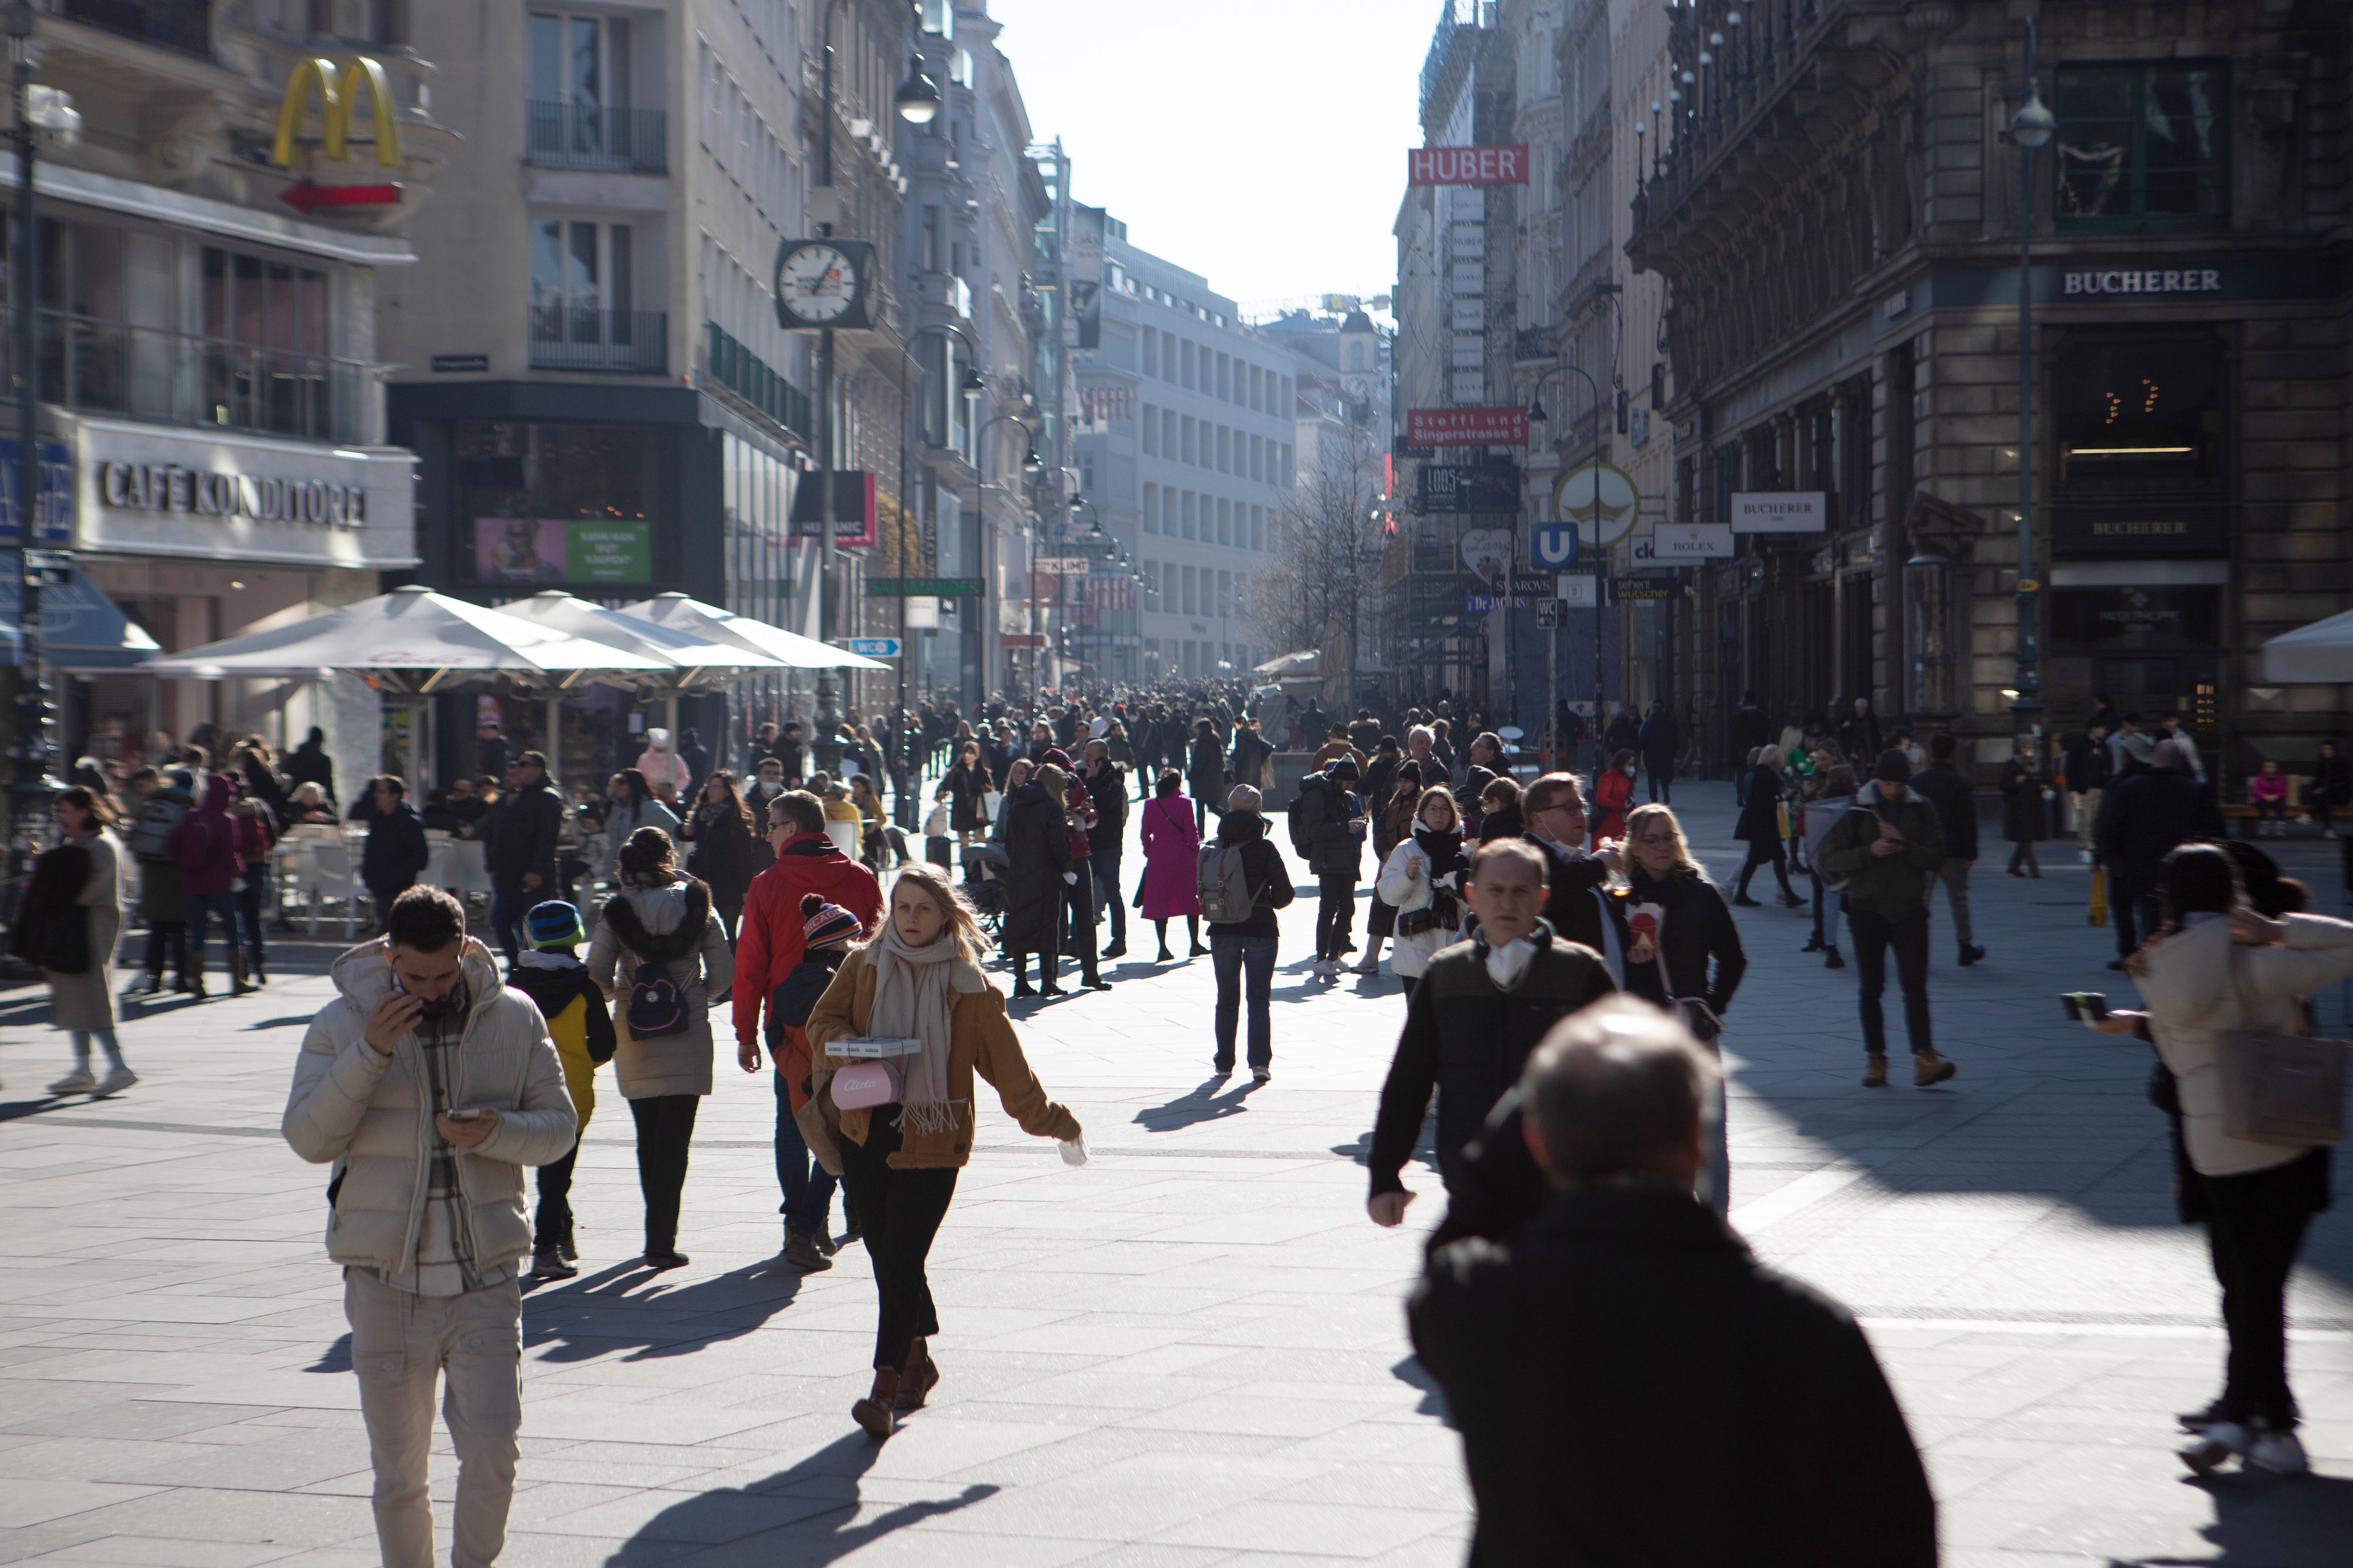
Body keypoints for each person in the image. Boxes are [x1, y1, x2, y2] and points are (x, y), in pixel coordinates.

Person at [1408, 997, 1937, 1568]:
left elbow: (1460, 1232)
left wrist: (1528, 1104)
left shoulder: (1482, 1305)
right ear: (1697, 1140)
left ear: (1537, 1142)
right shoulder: (1807, 1331)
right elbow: (1892, 1530)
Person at [281, 886, 577, 1568]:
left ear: (467, 949)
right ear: (390, 956)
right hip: (387, 1279)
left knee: (494, 1449)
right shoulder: (340, 1023)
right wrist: (371, 1051)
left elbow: (559, 1128)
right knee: (399, 1474)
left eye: (444, 974)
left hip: (486, 1275)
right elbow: (307, 1136)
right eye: (415, 976)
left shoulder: (514, 1015)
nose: (432, 988)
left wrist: (496, 1130)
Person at [2089, 843, 2353, 1477]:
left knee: (2246, 1287)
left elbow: (2181, 1059)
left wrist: (2139, 1025)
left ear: (2168, 898)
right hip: (2282, 1138)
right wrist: (2276, 927)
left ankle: (2250, 1411)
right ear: (2230, 892)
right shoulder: (2258, 963)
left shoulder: (2155, 968)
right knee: (2260, 1288)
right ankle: (2262, 1420)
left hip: (2213, 1150)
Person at [806, 862, 1084, 1440]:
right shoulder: (863, 963)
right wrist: (853, 1045)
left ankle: (883, 1384)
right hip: (866, 1128)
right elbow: (821, 1023)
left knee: (901, 1255)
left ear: (943, 916)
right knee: (886, 1253)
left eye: (922, 909)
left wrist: (1052, 1121)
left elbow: (1011, 1073)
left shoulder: (968, 987)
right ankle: (918, 1357)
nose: (909, 919)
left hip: (933, 1137)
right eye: (901, 906)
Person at [1367, 838, 1617, 1229]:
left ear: (1542, 897)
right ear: (1472, 894)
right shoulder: (1446, 974)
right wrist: (1384, 1174)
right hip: (1471, 1186)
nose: (1507, 903)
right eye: (1495, 891)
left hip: (1564, 1195)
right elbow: (1409, 1080)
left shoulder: (1581, 972)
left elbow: (1622, 1088)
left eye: (1521, 892)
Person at [732, 789, 885, 1252]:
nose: (767, 833)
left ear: (793, 829)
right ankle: (842, 1207)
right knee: (852, 1114)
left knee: (794, 1122)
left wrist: (745, 1034)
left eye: (772, 825)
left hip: (791, 1028)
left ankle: (800, 1219)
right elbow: (880, 952)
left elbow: (750, 964)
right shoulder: (860, 876)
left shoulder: (767, 883)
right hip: (852, 1023)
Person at [587, 826, 734, 1270]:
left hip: (634, 1032)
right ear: (669, 858)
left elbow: (595, 971)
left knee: (647, 1137)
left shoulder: (616, 912)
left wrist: (621, 993)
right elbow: (725, 973)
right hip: (686, 1030)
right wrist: (696, 993)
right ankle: (661, 1240)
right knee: (676, 1142)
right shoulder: (697, 905)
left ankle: (655, 1236)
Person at [1614, 805, 1746, 1212]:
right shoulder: (1619, 898)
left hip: (1693, 1030)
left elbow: (1733, 957)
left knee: (1709, 1132)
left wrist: (1711, 1006)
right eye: (1651, 839)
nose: (1661, 847)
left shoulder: (1700, 893)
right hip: (1642, 1034)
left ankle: (1713, 1228)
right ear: (1633, 847)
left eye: (1668, 838)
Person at [1818, 750, 1955, 1089]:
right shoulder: (1856, 809)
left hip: (1910, 909)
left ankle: (1925, 1057)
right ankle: (1875, 1057)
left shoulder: (1921, 807)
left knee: (1916, 987)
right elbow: (1831, 857)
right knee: (1871, 988)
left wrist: (1904, 844)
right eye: (1888, 784)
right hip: (1867, 909)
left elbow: (1937, 857)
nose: (1893, 791)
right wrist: (1870, 852)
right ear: (1876, 779)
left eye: (1899, 785)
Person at [752, 893, 865, 1270]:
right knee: (834, 1156)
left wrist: (797, 1073)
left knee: (828, 1153)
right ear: (836, 943)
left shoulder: (788, 985)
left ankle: (810, 1230)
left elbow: (773, 1036)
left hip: (798, 1083)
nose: (857, 946)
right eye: (853, 940)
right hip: (835, 1082)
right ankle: (804, 1234)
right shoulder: (841, 985)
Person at [504, 901, 614, 1280]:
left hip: (521, 1092)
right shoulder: (586, 989)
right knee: (557, 1175)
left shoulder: (513, 987)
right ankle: (548, 1249)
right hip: (573, 1094)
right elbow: (604, 1047)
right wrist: (581, 1065)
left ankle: (562, 1235)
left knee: (546, 1174)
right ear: (577, 934)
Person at [23, 788, 132, 1097]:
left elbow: (83, 889)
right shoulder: (79, 844)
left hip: (89, 934)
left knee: (94, 1000)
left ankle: (118, 1066)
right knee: (74, 999)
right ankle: (82, 1069)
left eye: (66, 811)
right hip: (71, 933)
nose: (61, 818)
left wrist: (47, 866)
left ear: (84, 811)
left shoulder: (101, 846)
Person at [2097, 738, 2225, 969]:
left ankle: (2155, 969)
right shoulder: (2195, 790)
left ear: (2153, 759)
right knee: (2182, 922)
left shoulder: (2129, 788)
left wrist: (2115, 859)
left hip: (2142, 869)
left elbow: (2110, 829)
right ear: (2177, 762)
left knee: (2150, 920)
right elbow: (2216, 833)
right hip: (2185, 870)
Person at [1204, 785, 1295, 1080]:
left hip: (1221, 929)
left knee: (1226, 998)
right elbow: (1284, 896)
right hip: (1260, 930)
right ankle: (1259, 1063)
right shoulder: (1265, 848)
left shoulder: (1215, 847)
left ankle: (1223, 1062)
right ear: (1259, 811)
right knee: (1258, 998)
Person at [166, 772, 251, 998]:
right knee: (232, 929)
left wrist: (186, 865)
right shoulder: (226, 820)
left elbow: (172, 844)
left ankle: (198, 984)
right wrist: (238, 871)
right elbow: (229, 854)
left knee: (197, 932)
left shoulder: (191, 816)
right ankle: (237, 980)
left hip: (193, 883)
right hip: (220, 883)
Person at [1519, 772, 1618, 963]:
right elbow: (1546, 891)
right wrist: (1597, 865)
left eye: (1581, 807)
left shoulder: (1571, 859)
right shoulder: (1522, 857)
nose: (1580, 815)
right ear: (1538, 819)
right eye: (1569, 808)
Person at [1376, 785, 1468, 983]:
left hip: (1455, 947)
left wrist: (1457, 882)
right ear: (1423, 814)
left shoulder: (1465, 852)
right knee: (1419, 1014)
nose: (1439, 814)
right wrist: (1406, 876)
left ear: (1453, 814)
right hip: (1415, 947)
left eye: (1445, 809)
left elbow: (1476, 903)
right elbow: (1387, 896)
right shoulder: (1407, 849)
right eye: (1433, 809)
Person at [1909, 733, 1985, 966]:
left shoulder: (1918, 781)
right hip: (1952, 849)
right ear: (1952, 752)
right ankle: (1965, 946)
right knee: (1959, 899)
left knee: (1921, 900)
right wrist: (1970, 851)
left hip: (1924, 849)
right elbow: (1967, 820)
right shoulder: (1959, 782)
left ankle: (1915, 946)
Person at [1001, 759, 1075, 997]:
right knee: (1047, 927)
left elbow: (1009, 842)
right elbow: (1058, 844)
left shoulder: (1017, 804)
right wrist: (1067, 866)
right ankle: (1048, 981)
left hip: (1019, 875)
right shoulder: (1052, 809)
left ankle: (1020, 981)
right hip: (1045, 876)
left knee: (1021, 926)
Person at [481, 752, 561, 965]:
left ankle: (542, 966)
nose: (519, 769)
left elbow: (548, 838)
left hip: (533, 877)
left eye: (524, 765)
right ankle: (517, 964)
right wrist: (493, 864)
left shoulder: (547, 797)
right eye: (517, 764)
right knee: (501, 920)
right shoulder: (517, 797)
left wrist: (535, 870)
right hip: (508, 874)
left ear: (539, 769)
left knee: (535, 926)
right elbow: (496, 834)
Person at [1294, 756, 1367, 976]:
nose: (1349, 787)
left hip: (1344, 859)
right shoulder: (1318, 794)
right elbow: (1315, 830)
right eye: (1346, 782)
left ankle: (1334, 956)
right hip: (1328, 860)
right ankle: (1320, 959)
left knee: (1347, 909)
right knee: (1328, 909)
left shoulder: (1341, 795)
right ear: (1338, 779)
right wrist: (1346, 827)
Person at [124, 767, 192, 994]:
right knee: (180, 930)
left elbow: (135, 842)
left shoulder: (149, 808)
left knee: (157, 930)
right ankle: (182, 977)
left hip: (153, 875)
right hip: (178, 875)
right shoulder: (186, 809)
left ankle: (154, 978)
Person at [680, 769, 761, 938]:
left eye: (716, 787)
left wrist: (746, 888)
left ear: (727, 791)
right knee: (701, 932)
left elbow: (744, 856)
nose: (711, 790)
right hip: (702, 880)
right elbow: (692, 836)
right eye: (710, 786)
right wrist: (682, 830)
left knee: (727, 933)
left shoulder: (735, 818)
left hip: (728, 884)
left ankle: (731, 965)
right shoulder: (702, 814)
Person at [1362, 760, 1425, 975]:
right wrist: (1382, 851)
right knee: (1379, 909)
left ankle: (1405, 958)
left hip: (1411, 863)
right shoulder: (1393, 802)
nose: (1403, 785)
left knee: (1406, 910)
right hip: (1389, 862)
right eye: (1400, 781)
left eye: (1407, 781)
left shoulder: (1422, 803)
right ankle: (1371, 958)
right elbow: (1379, 830)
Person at [1138, 768, 1204, 961]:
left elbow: (1145, 833)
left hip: (1159, 857)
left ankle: (1163, 948)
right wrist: (1195, 850)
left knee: (1160, 903)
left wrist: (1150, 850)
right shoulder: (1185, 803)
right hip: (1183, 856)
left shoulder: (1151, 804)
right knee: (1191, 900)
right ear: (1178, 784)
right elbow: (1192, 832)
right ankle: (1194, 944)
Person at [1799, 765, 1857, 969]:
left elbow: (1811, 827)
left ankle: (1831, 947)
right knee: (1857, 902)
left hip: (1828, 860)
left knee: (1830, 903)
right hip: (1854, 859)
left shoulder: (1822, 801)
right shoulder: (1857, 802)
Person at [1731, 745, 1801, 907]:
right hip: (1762, 826)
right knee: (1759, 859)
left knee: (1771, 858)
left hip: (1762, 825)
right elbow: (1765, 800)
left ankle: (1787, 895)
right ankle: (1742, 894)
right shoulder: (1765, 774)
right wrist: (1783, 796)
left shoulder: (1763, 773)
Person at [1081, 739, 1129, 959]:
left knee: (1112, 892)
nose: (1087, 759)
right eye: (1086, 754)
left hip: (1109, 844)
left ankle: (1119, 940)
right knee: (1083, 894)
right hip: (1088, 842)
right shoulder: (1082, 774)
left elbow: (1107, 801)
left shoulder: (1115, 776)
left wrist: (1091, 781)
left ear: (1102, 757)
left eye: (1091, 755)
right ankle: (1079, 939)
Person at [230, 788, 278, 984]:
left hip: (234, 869)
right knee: (255, 918)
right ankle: (259, 964)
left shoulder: (227, 812)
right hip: (257, 868)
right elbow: (273, 838)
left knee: (237, 920)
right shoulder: (258, 808)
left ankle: (242, 968)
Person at [602, 769, 680, 886]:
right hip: (615, 871)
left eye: (622, 782)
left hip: (640, 873)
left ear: (634, 784)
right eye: (616, 782)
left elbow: (675, 830)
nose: (617, 786)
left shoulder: (650, 808)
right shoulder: (613, 808)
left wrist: (654, 858)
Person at [2065, 724, 2112, 862]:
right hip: (2083, 789)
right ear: (2093, 729)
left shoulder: (2104, 746)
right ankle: (2084, 847)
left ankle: (2092, 843)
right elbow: (2071, 768)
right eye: (2102, 728)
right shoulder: (2080, 745)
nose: (2104, 731)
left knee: (2096, 818)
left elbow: (2109, 765)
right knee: (2085, 819)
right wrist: (2072, 788)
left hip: (2100, 787)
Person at [2002, 740, 2048, 875]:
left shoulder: (2037, 764)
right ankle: (2034, 867)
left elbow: (2043, 780)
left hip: (2034, 805)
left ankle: (2014, 865)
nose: (2028, 750)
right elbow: (2004, 785)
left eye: (2030, 747)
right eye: (2025, 747)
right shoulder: (2012, 764)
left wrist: (2043, 786)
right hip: (2018, 805)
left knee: (2025, 837)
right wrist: (2016, 782)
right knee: (2024, 837)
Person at [939, 740, 994, 854]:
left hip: (978, 809)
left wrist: (987, 789)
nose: (967, 755)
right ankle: (967, 866)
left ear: (977, 755)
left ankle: (979, 865)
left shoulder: (982, 772)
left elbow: (990, 789)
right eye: (965, 752)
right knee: (964, 843)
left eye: (971, 753)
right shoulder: (956, 771)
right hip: (961, 808)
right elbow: (945, 784)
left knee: (980, 839)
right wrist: (941, 792)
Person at [1186, 718, 1227, 833]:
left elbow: (1199, 764)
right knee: (1211, 806)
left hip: (1203, 780)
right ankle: (1202, 831)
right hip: (1214, 779)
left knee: (1202, 807)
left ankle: (1201, 832)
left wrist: (1190, 776)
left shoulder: (1202, 743)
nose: (1195, 731)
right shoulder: (1215, 740)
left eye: (1197, 728)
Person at [1729, 692, 1770, 805]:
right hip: (1757, 746)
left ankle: (1740, 798)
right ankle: (1752, 797)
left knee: (1741, 774)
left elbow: (1734, 728)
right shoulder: (1760, 710)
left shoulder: (1739, 710)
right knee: (1757, 772)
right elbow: (1766, 726)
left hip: (1741, 747)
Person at [632, 727, 693, 800]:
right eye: (658, 749)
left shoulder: (675, 759)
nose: (660, 752)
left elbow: (685, 777)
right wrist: (649, 788)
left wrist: (672, 789)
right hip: (650, 796)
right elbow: (638, 778)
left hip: (671, 796)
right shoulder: (644, 759)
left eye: (663, 750)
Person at [284, 725, 336, 806]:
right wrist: (333, 803)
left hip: (296, 798)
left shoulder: (294, 758)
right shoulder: (323, 760)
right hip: (316, 799)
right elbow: (328, 783)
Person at [1638, 702, 1679, 803]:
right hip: (1666, 755)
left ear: (1654, 711)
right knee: (1664, 774)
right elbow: (1675, 739)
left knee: (1652, 777)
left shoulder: (1648, 723)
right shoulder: (1669, 722)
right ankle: (1665, 788)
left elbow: (1642, 739)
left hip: (1651, 755)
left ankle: (1654, 799)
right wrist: (1673, 752)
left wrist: (1643, 750)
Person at [2307, 738, 2351, 830]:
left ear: (2334, 750)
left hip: (2342, 794)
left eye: (2329, 749)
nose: (2327, 752)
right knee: (2325, 798)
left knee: (2327, 792)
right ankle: (2328, 829)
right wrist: (2315, 790)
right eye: (2324, 749)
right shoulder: (2320, 764)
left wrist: (2324, 788)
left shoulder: (2342, 763)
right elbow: (2316, 781)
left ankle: (2310, 815)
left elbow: (2344, 781)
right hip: (2326, 795)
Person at [1837, 695, 1882, 764]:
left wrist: (1878, 749)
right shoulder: (1849, 716)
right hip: (1852, 746)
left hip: (1867, 746)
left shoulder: (1871, 717)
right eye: (1860, 709)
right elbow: (1839, 726)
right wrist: (1844, 727)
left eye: (1863, 709)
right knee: (1854, 763)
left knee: (1867, 764)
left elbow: (1875, 733)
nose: (1861, 712)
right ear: (1856, 708)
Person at [2247, 760, 2289, 833]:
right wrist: (2265, 796)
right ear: (2264, 768)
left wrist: (2276, 796)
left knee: (2281, 805)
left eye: (2272, 767)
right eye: (2268, 767)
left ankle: (2280, 825)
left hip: (2276, 799)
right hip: (2262, 799)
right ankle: (2264, 824)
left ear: (2276, 768)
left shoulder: (2281, 778)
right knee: (2263, 805)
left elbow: (2283, 792)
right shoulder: (2259, 777)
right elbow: (2256, 790)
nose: (2270, 769)